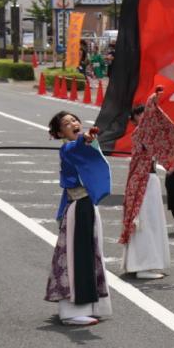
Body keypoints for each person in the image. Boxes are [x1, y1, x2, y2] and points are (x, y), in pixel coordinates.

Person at [45, 110, 113, 326]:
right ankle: (73, 312)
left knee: (90, 255)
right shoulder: (68, 148)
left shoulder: (84, 145)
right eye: (67, 123)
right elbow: (77, 146)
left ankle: (92, 306)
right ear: (59, 133)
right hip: (79, 207)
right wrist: (85, 138)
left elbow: (88, 150)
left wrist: (89, 140)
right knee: (79, 257)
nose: (73, 123)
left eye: (75, 120)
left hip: (87, 205)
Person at [118, 93, 174, 280]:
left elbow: (171, 132)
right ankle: (143, 265)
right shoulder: (141, 133)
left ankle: (138, 263)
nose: (145, 116)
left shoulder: (150, 135)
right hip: (143, 181)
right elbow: (153, 126)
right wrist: (151, 102)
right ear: (133, 121)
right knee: (144, 222)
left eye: (146, 113)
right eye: (139, 114)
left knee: (149, 221)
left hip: (148, 180)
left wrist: (154, 106)